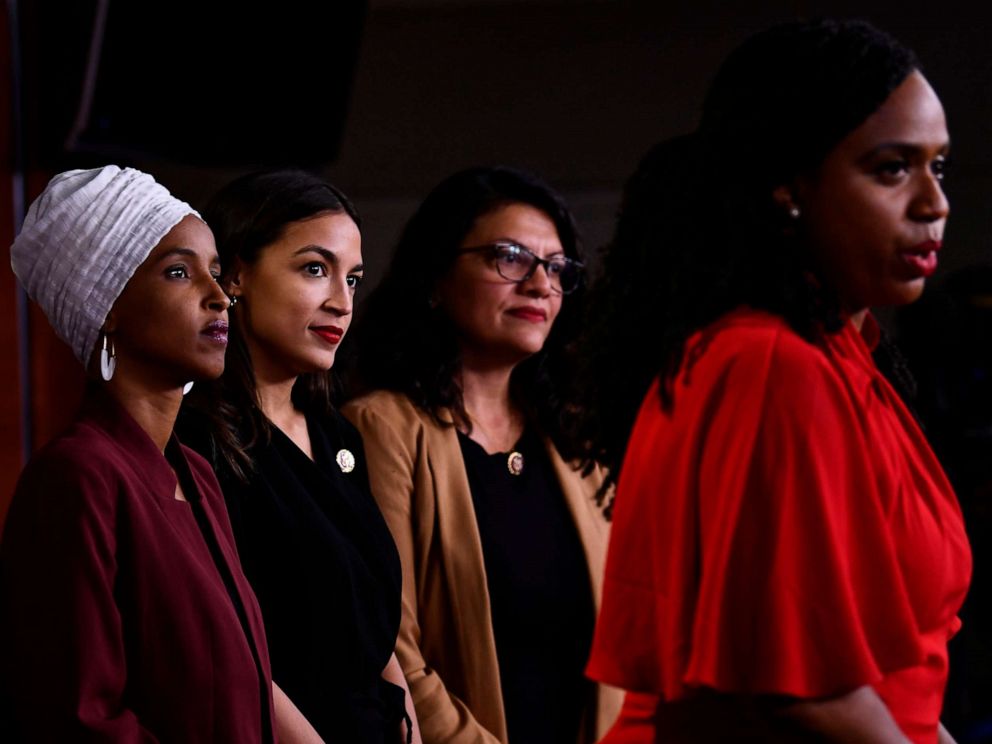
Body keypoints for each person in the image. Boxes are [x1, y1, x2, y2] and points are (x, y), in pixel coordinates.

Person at [579, 19, 971, 744]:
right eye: (892, 168)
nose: (933, 203)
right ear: (789, 186)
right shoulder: (771, 366)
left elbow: (898, 690)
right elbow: (803, 696)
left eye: (938, 167)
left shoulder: (839, 358)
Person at [0, 165, 319, 742]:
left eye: (217, 274)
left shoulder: (195, 471)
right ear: (107, 306)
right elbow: (81, 721)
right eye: (179, 272)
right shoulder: (77, 479)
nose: (220, 297)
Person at [343, 166, 622, 744]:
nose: (541, 284)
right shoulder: (383, 427)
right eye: (510, 257)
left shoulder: (576, 444)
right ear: (436, 278)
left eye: (556, 267)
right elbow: (389, 647)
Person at [178, 169, 418, 743]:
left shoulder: (340, 436)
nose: (341, 302)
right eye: (315, 269)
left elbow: (376, 634)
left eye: (353, 279)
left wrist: (411, 727)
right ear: (234, 276)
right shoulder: (193, 440)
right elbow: (232, 656)